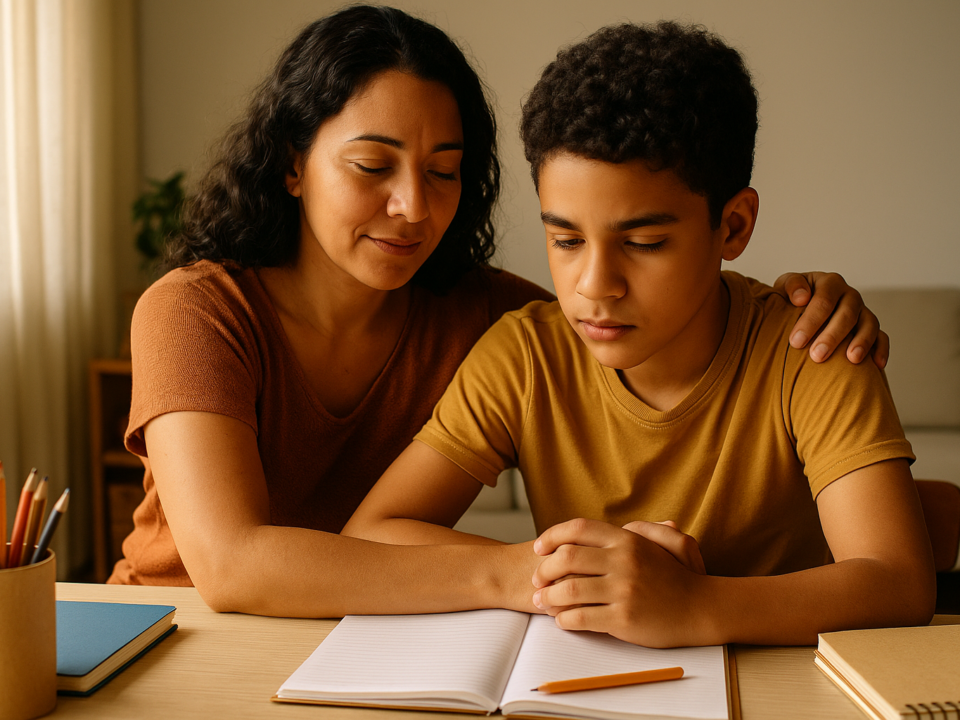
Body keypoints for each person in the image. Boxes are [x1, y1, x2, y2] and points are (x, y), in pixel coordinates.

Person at [110, 6, 890, 618]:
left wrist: (808, 301)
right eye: (373, 165)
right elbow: (231, 564)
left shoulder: (494, 316)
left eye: (444, 171)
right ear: (291, 164)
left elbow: (644, 341)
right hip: (185, 623)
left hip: (373, 628)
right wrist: (539, 571)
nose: (413, 206)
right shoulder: (197, 311)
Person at [344, 21, 935, 646]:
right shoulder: (525, 354)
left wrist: (695, 607)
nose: (595, 284)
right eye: (565, 240)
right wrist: (578, 572)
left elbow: (899, 583)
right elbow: (374, 533)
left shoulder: (811, 347)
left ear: (732, 226)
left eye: (644, 243)